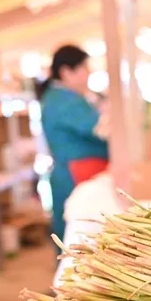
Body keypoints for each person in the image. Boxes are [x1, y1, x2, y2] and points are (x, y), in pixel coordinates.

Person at [36, 45, 108, 252]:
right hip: (75, 174)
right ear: (67, 72)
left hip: (75, 172)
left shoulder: (63, 97)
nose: (89, 74)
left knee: (74, 237)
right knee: (77, 241)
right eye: (84, 68)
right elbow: (100, 128)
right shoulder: (63, 100)